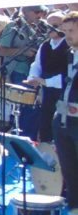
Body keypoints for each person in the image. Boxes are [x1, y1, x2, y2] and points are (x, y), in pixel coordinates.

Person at [25, 11, 69, 143]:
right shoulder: (45, 45)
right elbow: (37, 64)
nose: (50, 28)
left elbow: (68, 75)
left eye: (54, 25)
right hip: (47, 92)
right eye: (47, 25)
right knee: (45, 123)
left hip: (64, 92)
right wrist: (33, 77)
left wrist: (45, 81)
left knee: (60, 126)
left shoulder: (70, 46)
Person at [52, 12, 78, 215]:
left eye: (71, 31)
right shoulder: (70, 53)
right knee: (69, 170)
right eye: (65, 31)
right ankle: (74, 213)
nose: (67, 35)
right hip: (63, 119)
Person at [0, 6, 47, 84]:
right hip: (18, 71)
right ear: (25, 12)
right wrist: (23, 51)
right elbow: (1, 50)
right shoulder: (14, 25)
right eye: (37, 12)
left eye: (43, 12)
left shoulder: (44, 27)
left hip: (38, 73)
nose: (40, 15)